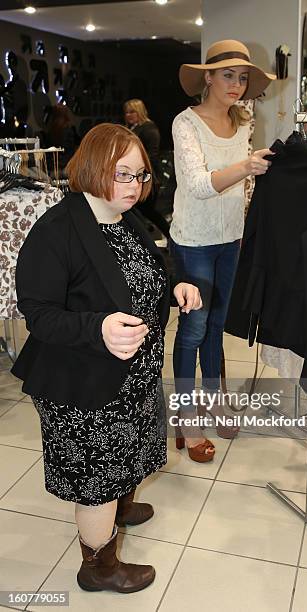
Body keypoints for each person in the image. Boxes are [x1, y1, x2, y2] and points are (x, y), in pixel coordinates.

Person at [11, 123, 201, 594]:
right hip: (83, 383)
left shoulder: (125, 217)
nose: (135, 187)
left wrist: (173, 287)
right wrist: (96, 328)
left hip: (129, 377)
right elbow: (36, 311)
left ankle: (118, 505)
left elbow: (154, 266)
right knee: (97, 473)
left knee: (129, 451)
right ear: (94, 167)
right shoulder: (59, 229)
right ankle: (97, 566)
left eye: (140, 176)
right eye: (123, 174)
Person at [170, 39, 275, 462]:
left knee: (216, 326)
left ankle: (213, 399)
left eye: (242, 76)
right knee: (193, 329)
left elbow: (243, 189)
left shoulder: (245, 119)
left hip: (232, 238)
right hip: (193, 239)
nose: (236, 84)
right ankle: (186, 414)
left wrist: (248, 225)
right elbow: (198, 184)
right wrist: (247, 166)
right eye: (227, 75)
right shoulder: (185, 123)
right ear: (208, 77)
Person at [124, 98, 170, 240]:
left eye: (132, 112)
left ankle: (169, 236)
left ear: (139, 111)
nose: (128, 115)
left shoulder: (149, 128)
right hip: (136, 175)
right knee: (142, 210)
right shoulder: (133, 128)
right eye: (126, 112)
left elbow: (152, 154)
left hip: (147, 176)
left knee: (145, 210)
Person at [44, 103, 79, 171]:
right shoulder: (68, 129)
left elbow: (49, 149)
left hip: (53, 165)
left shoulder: (50, 129)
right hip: (66, 164)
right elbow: (69, 150)